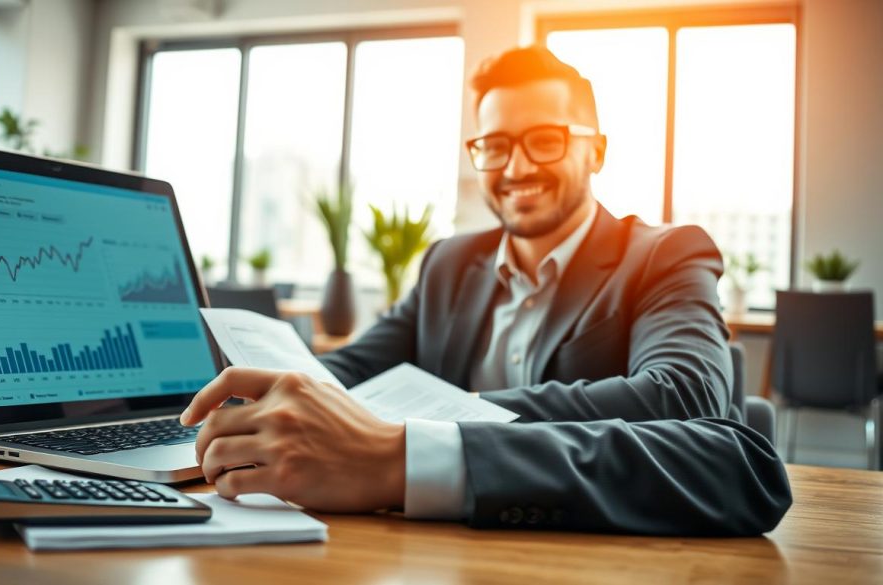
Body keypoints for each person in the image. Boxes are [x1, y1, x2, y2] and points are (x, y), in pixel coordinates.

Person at [180, 46, 792, 534]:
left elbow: (685, 398)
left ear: (596, 150)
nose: (516, 168)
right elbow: (350, 368)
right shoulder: (450, 262)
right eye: (493, 147)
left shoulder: (664, 253)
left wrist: (441, 423)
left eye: (545, 140)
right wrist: (270, 393)